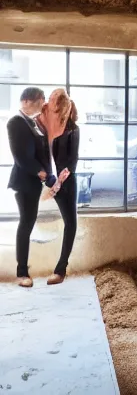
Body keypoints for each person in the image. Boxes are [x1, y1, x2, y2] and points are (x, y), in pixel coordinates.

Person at [7, 87, 56, 287]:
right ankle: (22, 273)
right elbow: (21, 157)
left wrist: (49, 174)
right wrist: (43, 174)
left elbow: (42, 151)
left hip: (36, 181)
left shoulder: (33, 122)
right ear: (26, 101)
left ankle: (24, 270)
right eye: (39, 100)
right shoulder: (16, 122)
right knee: (26, 224)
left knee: (29, 222)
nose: (41, 104)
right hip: (25, 181)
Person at [36, 89, 80, 285]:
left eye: (54, 100)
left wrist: (58, 185)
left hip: (68, 183)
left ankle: (60, 270)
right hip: (55, 180)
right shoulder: (51, 127)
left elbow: (72, 163)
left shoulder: (73, 129)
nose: (50, 102)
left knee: (70, 224)